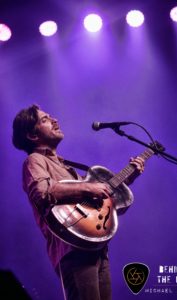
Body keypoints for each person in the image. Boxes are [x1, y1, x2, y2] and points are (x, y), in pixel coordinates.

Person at [12, 104, 145, 300]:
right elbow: (41, 192)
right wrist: (88, 187)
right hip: (71, 250)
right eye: (45, 119)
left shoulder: (67, 167)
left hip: (95, 247)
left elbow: (101, 202)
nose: (55, 120)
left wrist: (127, 179)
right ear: (33, 135)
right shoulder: (35, 160)